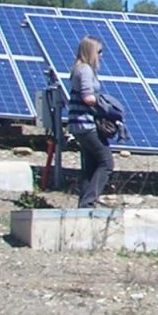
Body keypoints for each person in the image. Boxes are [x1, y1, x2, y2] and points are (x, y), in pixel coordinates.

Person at [65, 36, 117, 208]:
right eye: (99, 51)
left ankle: (84, 205)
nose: (101, 56)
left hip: (78, 124)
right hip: (85, 124)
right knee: (106, 163)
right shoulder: (85, 70)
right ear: (91, 51)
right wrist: (105, 104)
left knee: (91, 165)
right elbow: (87, 97)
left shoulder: (77, 69)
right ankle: (88, 202)